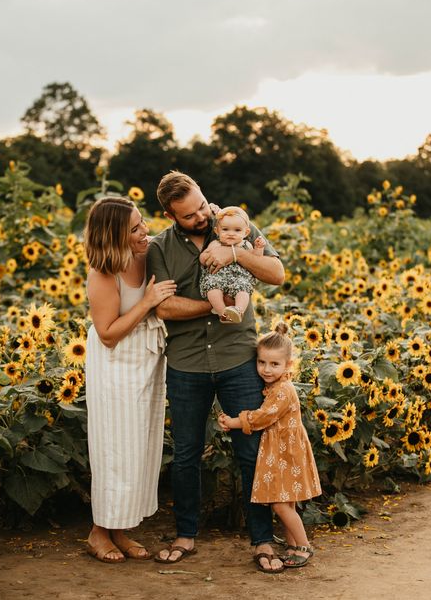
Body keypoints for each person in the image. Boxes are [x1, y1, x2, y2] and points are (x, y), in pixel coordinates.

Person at [146, 171, 286, 572]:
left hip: (237, 357)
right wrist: (215, 305)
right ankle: (186, 534)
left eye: (201, 205)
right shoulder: (159, 247)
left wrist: (238, 254)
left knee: (249, 451)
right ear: (170, 215)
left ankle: (261, 540)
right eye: (188, 216)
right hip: (187, 362)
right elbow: (164, 308)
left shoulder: (235, 224)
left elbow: (277, 274)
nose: (201, 217)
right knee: (187, 454)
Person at [84, 196, 177, 563]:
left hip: (146, 361)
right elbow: (107, 333)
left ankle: (119, 528)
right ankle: (97, 531)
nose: (145, 231)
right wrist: (148, 300)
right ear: (114, 236)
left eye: (143, 222)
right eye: (135, 228)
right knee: (114, 448)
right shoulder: (103, 272)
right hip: (115, 364)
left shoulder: (148, 252)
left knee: (139, 446)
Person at [218, 321, 322, 570]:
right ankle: (293, 544)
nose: (266, 369)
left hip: (286, 453)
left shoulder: (283, 390)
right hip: (283, 451)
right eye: (261, 362)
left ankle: (304, 546)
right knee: (287, 503)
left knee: (279, 503)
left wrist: (234, 421)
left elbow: (263, 417)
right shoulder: (275, 386)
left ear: (288, 365)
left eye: (274, 364)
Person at [199, 205, 266, 323]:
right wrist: (206, 257)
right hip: (217, 276)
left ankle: (238, 311)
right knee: (212, 288)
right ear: (217, 231)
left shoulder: (246, 245)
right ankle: (222, 312)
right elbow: (203, 257)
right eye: (225, 229)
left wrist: (259, 248)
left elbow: (256, 260)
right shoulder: (215, 244)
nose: (231, 233)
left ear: (246, 232)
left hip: (240, 278)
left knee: (243, 289)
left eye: (237, 230)